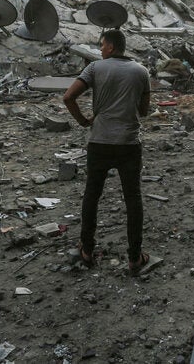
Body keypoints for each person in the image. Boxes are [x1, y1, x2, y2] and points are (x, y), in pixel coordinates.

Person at [63, 29, 152, 275]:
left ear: (111, 47)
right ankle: (135, 258)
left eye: (102, 45)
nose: (100, 49)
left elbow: (69, 97)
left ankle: (87, 250)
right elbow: (144, 111)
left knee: (92, 195)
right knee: (133, 199)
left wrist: (83, 120)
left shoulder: (94, 69)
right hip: (128, 143)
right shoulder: (142, 71)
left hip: (99, 142)